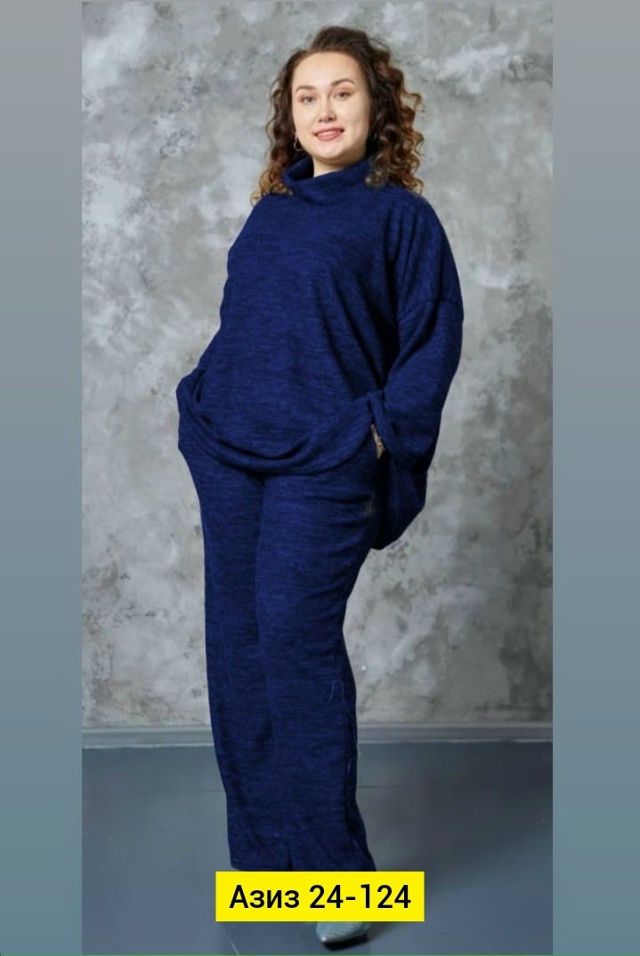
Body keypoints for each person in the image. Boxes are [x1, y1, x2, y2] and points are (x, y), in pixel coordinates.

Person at [176, 24, 464, 948]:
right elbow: (250, 327)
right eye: (307, 96)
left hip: (328, 459)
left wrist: (379, 436)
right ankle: (267, 874)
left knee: (294, 643)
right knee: (238, 652)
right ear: (289, 117)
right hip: (231, 455)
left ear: (376, 106)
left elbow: (431, 341)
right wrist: (197, 403)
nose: (324, 110)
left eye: (342, 92)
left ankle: (340, 887)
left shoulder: (401, 218)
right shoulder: (270, 212)